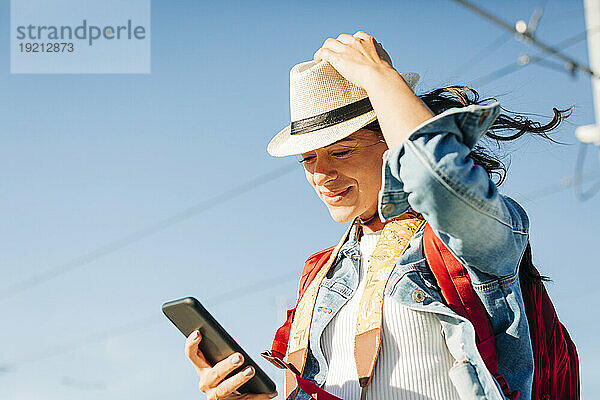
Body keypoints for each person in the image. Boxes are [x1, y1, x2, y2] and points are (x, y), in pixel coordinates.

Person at [184, 31, 569, 400]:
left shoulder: (465, 239)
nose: (321, 174)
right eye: (308, 159)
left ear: (390, 142)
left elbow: (435, 176)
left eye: (341, 151)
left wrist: (378, 76)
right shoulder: (319, 276)